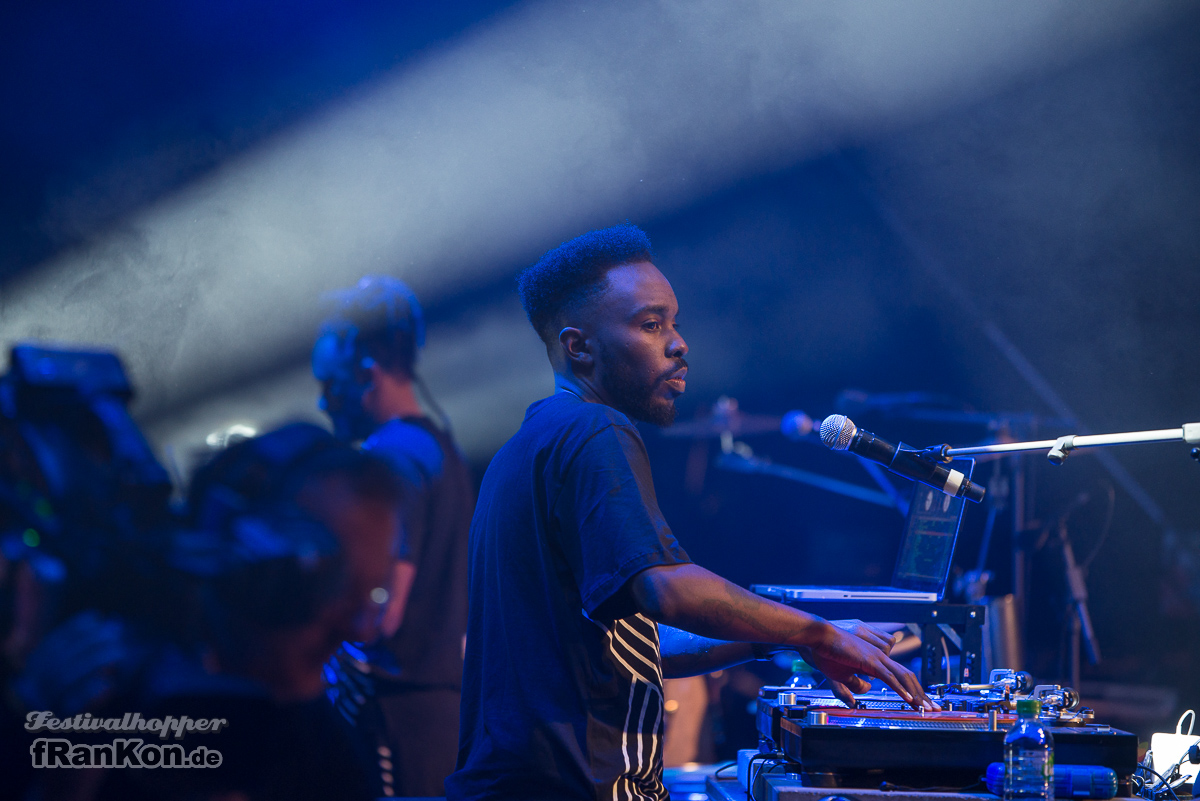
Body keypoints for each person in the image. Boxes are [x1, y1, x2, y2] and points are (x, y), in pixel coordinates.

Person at [446, 224, 934, 801]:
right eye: (651, 325)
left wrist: (786, 641)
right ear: (579, 346)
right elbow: (667, 591)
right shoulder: (595, 430)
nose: (679, 344)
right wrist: (818, 630)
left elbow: (645, 639)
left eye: (674, 322)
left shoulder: (529, 445)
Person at [313, 275, 474, 797]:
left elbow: (383, 614)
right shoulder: (440, 449)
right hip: (439, 710)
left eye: (329, 384)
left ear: (365, 373)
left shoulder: (389, 458)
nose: (323, 403)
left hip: (394, 715)